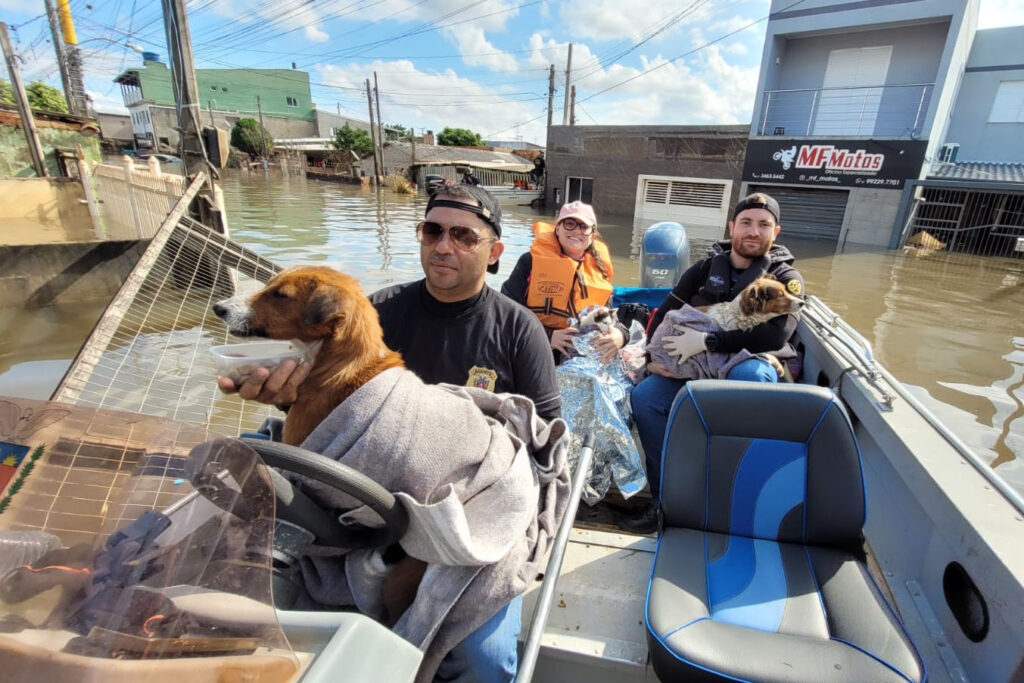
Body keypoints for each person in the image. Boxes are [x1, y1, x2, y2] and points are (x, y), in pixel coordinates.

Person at [218, 183, 560, 681]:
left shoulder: (518, 327)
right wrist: (281, 391)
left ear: (495, 253)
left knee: (484, 664)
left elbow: (540, 435)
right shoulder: (371, 311)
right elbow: (335, 407)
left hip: (469, 503)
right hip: (365, 497)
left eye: (464, 235)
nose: (444, 245)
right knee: (251, 572)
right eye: (433, 230)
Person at [627, 192, 804, 534]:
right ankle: (665, 502)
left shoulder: (785, 278)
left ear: (775, 232)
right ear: (732, 227)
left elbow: (774, 337)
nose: (753, 231)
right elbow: (664, 313)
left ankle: (731, 503)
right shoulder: (703, 269)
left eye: (763, 225)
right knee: (646, 397)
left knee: (750, 376)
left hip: (746, 362)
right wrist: (651, 358)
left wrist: (708, 341)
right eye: (747, 223)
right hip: (692, 365)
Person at [501, 201, 626, 364]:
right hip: (532, 349)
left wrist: (620, 335)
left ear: (592, 234)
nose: (576, 230)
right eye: (569, 223)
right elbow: (505, 313)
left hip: (577, 355)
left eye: (583, 226)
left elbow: (606, 317)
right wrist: (548, 336)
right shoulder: (530, 262)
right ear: (557, 228)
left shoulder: (599, 270)